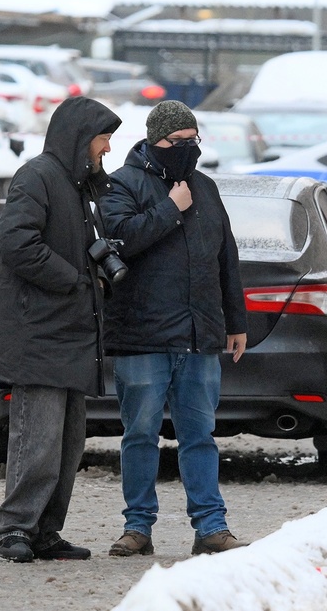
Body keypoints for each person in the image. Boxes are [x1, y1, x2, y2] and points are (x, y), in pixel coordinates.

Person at [99, 100, 249, 557]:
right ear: (154, 141)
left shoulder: (205, 187)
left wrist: (235, 320)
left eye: (193, 139)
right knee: (140, 435)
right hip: (141, 335)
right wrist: (170, 208)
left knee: (199, 436)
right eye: (177, 140)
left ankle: (211, 527)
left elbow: (226, 258)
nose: (187, 147)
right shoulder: (121, 184)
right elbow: (121, 240)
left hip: (199, 335)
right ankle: (137, 527)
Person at [0, 96, 122, 563]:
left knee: (67, 445)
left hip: (71, 333)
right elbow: (17, 243)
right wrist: (74, 279)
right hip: (38, 335)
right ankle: (14, 529)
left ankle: (44, 531)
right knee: (37, 440)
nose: (107, 148)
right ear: (80, 138)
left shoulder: (79, 186)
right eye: (103, 139)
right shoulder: (37, 176)